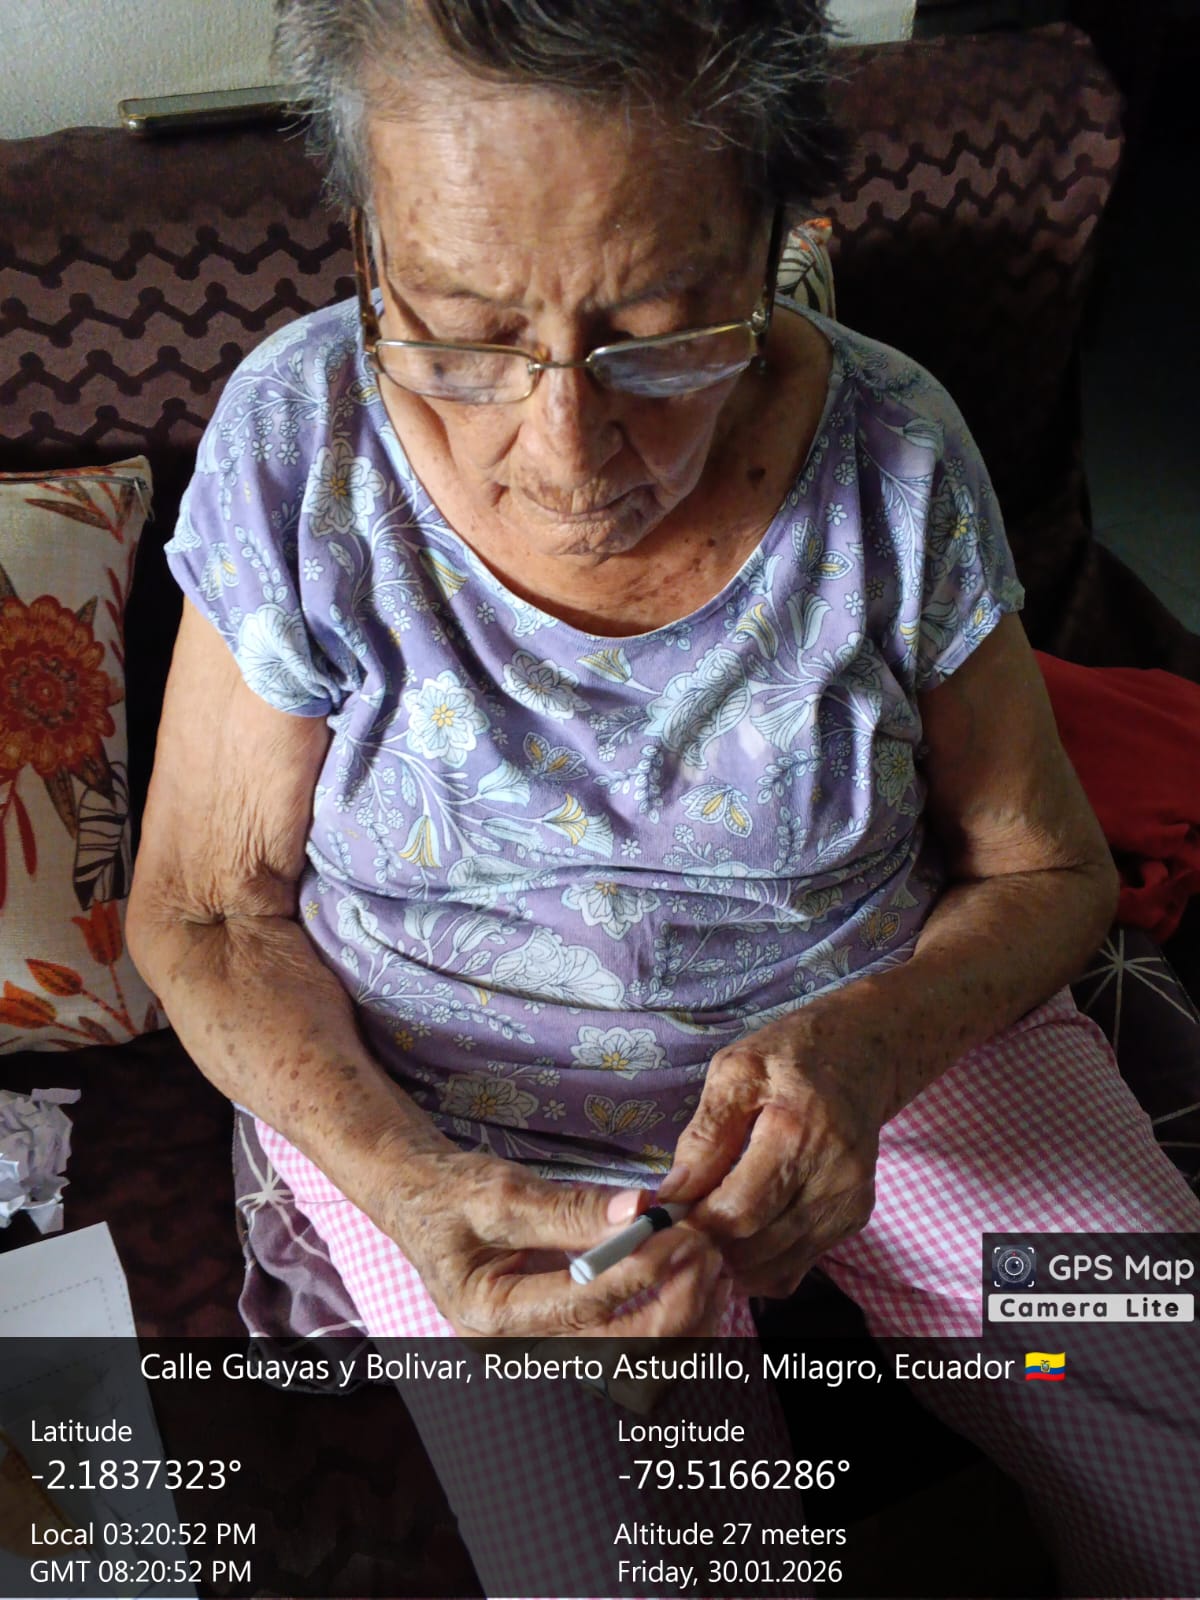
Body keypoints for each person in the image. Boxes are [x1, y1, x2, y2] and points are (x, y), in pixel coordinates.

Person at [127, 2, 1200, 1594]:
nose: (566, 450)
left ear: (775, 248)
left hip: (891, 1056)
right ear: (371, 254)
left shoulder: (895, 449)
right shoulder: (302, 442)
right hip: (454, 1120)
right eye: (466, 334)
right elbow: (207, 912)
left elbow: (1048, 872)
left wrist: (871, 1048)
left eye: (661, 331)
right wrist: (417, 1194)